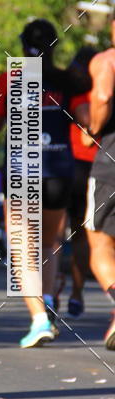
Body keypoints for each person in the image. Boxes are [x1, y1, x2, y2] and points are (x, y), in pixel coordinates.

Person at [0, 19, 87, 348]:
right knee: (50, 243)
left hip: (21, 172)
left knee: (22, 250)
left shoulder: (10, 78)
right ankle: (50, 301)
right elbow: (88, 122)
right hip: (59, 170)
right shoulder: (68, 81)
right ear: (54, 46)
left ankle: (39, 318)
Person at [86, 21, 115, 349]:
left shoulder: (107, 59)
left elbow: (104, 94)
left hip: (111, 161)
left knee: (100, 244)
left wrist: (94, 125)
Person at [66, 47, 98, 316]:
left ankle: (52, 296)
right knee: (81, 236)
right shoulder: (101, 95)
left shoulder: (75, 94)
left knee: (54, 237)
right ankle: (75, 293)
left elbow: (88, 127)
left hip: (75, 166)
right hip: (88, 169)